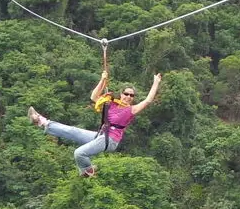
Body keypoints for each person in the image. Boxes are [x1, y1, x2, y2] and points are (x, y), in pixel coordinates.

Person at [28, 68, 162, 177]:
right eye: (126, 94)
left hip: (111, 140)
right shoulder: (111, 104)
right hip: (101, 135)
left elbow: (148, 101)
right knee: (73, 131)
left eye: (131, 96)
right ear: (121, 94)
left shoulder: (131, 110)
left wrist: (155, 82)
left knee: (79, 153)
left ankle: (88, 170)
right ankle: (41, 121)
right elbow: (93, 97)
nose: (128, 97)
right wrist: (102, 80)